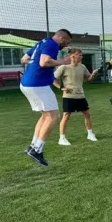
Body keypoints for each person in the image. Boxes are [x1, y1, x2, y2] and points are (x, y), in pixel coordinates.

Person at [20, 29, 72, 166]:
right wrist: (63, 61)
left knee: (45, 116)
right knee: (53, 116)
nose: (67, 45)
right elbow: (44, 63)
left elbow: (24, 59)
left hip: (27, 83)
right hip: (38, 85)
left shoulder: (42, 42)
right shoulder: (52, 45)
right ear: (61, 38)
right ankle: (37, 150)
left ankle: (32, 147)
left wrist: (34, 65)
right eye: (67, 42)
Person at [53, 48, 99, 146]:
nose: (81, 57)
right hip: (68, 96)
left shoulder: (82, 67)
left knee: (87, 115)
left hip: (81, 95)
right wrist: (61, 87)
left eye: (81, 55)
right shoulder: (63, 67)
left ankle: (90, 134)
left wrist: (93, 74)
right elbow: (52, 79)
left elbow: (89, 79)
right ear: (73, 56)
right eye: (80, 55)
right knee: (66, 116)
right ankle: (62, 138)